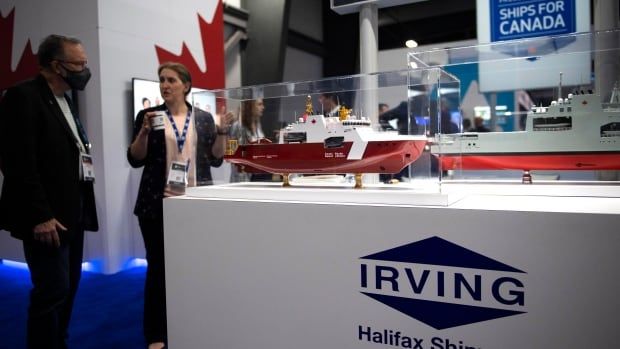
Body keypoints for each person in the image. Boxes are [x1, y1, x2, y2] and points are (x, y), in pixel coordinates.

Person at [0, 34, 98, 349]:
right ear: (56, 65)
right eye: (79, 63)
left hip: (73, 213)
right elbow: (17, 163)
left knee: (68, 289)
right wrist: (40, 215)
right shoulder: (22, 96)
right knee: (51, 291)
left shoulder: (66, 98)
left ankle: (59, 342)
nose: (85, 69)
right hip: (47, 220)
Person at [127, 62, 234, 349]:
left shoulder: (202, 118)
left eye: (171, 80)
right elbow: (135, 158)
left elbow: (215, 159)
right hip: (156, 204)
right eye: (162, 80)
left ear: (186, 85)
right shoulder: (148, 116)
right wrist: (144, 133)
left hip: (195, 205)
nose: (165, 85)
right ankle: (157, 333)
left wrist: (222, 132)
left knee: (195, 266)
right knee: (158, 270)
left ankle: (195, 320)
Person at [229, 98, 271, 182]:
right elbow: (231, 152)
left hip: (257, 176)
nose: (263, 107)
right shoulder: (237, 127)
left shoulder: (258, 125)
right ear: (250, 106)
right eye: (259, 104)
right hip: (242, 179)